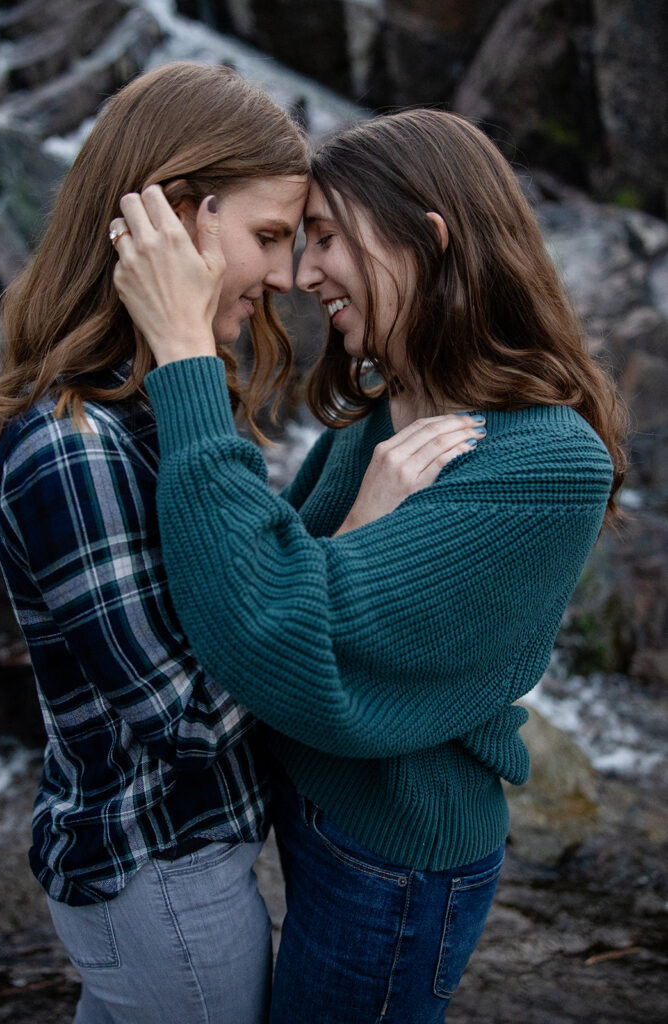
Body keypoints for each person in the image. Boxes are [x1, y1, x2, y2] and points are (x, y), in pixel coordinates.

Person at [0, 66, 482, 1024]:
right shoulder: (73, 445)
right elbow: (194, 717)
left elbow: (240, 595)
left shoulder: (153, 405)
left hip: (187, 858)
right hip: (156, 871)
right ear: (176, 224)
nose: (288, 279)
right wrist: (356, 543)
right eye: (270, 237)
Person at [111, 108, 626, 1023]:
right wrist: (354, 525)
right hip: (316, 809)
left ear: (427, 239)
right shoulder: (387, 408)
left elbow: (271, 632)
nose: (301, 277)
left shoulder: (548, 464)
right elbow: (267, 574)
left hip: (396, 862)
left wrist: (185, 357)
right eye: (295, 240)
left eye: (326, 239)